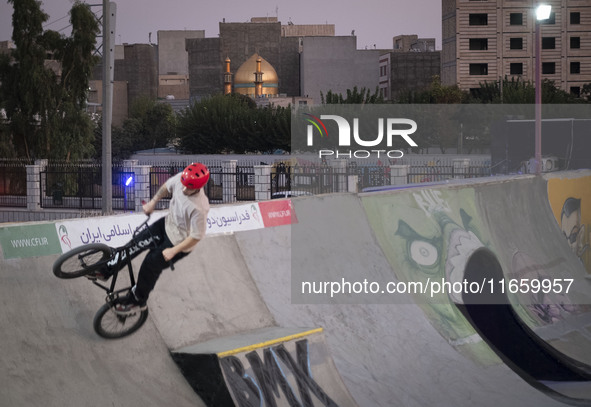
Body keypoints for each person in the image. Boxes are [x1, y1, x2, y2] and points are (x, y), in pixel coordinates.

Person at [87, 162, 211, 313]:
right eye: (184, 185)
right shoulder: (182, 179)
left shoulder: (199, 207)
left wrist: (173, 251)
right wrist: (153, 202)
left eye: (189, 188)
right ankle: (105, 270)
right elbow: (166, 186)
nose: (184, 189)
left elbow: (197, 236)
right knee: (133, 245)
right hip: (165, 225)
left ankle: (138, 300)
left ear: (198, 188)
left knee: (150, 264)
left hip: (178, 243)